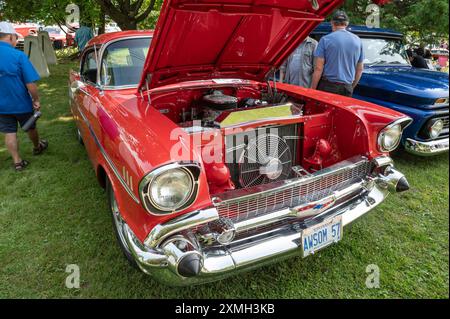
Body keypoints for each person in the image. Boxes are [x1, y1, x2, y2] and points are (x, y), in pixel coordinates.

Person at [0, 22, 48, 171]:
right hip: (21, 104)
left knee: (9, 132)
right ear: (9, 37)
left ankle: (17, 162)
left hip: (1, 106)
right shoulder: (18, 55)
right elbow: (30, 83)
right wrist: (36, 100)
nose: (16, 40)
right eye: (15, 37)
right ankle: (37, 146)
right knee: (30, 127)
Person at [310, 11, 364, 97]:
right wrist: (351, 86)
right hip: (347, 87)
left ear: (332, 23)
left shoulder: (325, 40)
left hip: (328, 86)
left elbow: (318, 68)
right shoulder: (358, 40)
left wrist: (312, 89)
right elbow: (360, 69)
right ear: (346, 24)